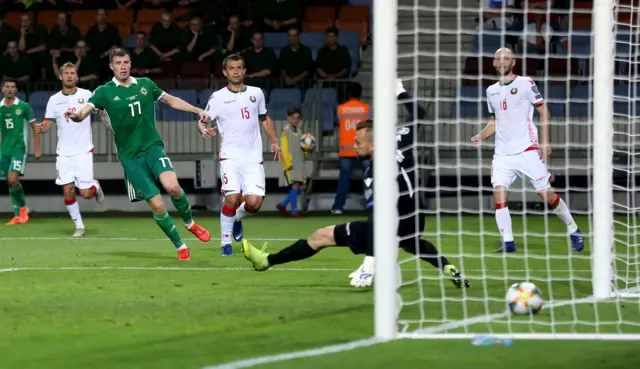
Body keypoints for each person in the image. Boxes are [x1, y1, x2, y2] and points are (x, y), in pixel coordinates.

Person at [242, 81, 470, 289]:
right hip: (415, 220)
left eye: (358, 142)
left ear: (373, 145)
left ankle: (267, 261)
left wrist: (369, 261)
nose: (353, 145)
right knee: (410, 243)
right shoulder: (400, 139)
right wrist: (399, 91)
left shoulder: (374, 172)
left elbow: (377, 220)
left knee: (321, 236)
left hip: (392, 224)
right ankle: (448, 267)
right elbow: (419, 114)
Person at [64, 48, 211, 261]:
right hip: (130, 157)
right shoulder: (104, 92)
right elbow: (85, 111)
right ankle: (181, 246)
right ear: (111, 67)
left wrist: (198, 111)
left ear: (130, 64)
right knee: (158, 204)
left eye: (126, 62)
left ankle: (190, 223)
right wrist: (76, 116)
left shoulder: (145, 85)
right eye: (118, 63)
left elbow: (170, 100)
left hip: (153, 148)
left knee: (173, 187)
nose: (123, 66)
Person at [472, 47, 584, 253]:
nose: (502, 61)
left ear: (513, 62)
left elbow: (543, 111)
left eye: (507, 58)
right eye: (498, 58)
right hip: (502, 155)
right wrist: (479, 136)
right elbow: (494, 123)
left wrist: (545, 142)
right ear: (494, 63)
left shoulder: (526, 83)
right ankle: (508, 242)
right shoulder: (491, 91)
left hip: (527, 150)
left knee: (546, 195)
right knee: (499, 195)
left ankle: (573, 228)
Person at [198, 53, 281, 257]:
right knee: (232, 198)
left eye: (239, 67)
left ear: (244, 71)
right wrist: (202, 128)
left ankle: (236, 219)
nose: (236, 71)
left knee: (253, 204)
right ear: (225, 72)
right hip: (230, 157)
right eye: (231, 68)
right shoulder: (217, 97)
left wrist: (274, 140)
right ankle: (226, 243)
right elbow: (203, 120)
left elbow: (265, 118)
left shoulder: (257, 93)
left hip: (253, 158)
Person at [36, 62, 105, 237]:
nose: (69, 76)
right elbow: (47, 126)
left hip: (83, 151)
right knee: (67, 190)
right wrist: (40, 128)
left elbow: (101, 112)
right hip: (63, 153)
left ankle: (95, 187)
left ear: (76, 76)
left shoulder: (86, 94)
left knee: (86, 194)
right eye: (66, 73)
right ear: (60, 76)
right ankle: (79, 226)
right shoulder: (53, 100)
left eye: (72, 73)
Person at [0, 78, 37, 225]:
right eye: (7, 87)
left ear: (16, 90)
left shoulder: (23, 106)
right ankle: (19, 213)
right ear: (2, 89)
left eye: (12, 87)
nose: (10, 89)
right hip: (4, 150)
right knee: (11, 182)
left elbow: (35, 126)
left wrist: (37, 149)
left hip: (19, 149)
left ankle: (22, 210)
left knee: (12, 179)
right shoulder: (0, 107)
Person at [276, 107, 309, 218]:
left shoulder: (299, 132)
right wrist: (287, 163)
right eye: (293, 118)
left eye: (298, 118)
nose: (295, 120)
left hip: (299, 164)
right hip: (290, 165)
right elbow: (284, 148)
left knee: (301, 187)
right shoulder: (285, 131)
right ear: (288, 118)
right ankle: (295, 212)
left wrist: (308, 151)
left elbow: (301, 149)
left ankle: (282, 205)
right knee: (295, 186)